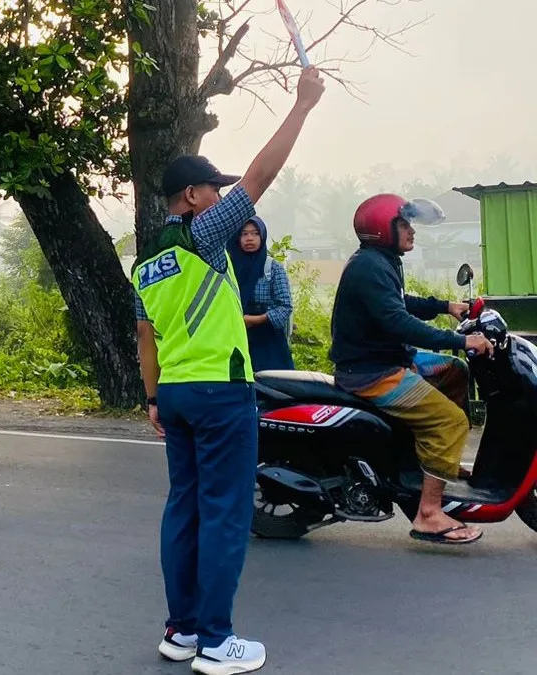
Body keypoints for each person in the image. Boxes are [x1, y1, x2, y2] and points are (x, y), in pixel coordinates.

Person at [134, 67, 325, 675]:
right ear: (192, 198)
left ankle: (180, 631)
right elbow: (261, 177)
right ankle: (216, 641)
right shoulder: (202, 233)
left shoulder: (148, 260)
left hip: (180, 395)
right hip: (221, 394)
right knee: (224, 512)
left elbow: (146, 338)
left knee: (183, 508)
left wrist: (153, 398)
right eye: (213, 189)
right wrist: (303, 106)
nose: (223, 196)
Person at [329, 193, 494, 545]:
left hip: (390, 359)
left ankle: (433, 457)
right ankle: (429, 513)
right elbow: (398, 321)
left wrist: (446, 305)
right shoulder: (370, 266)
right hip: (372, 373)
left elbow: (400, 301)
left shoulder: (382, 261)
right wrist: (461, 341)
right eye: (404, 225)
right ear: (381, 229)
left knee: (455, 372)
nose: (412, 231)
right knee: (451, 421)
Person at [227, 217, 296, 372]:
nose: (249, 238)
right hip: (237, 339)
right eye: (244, 234)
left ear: (262, 236)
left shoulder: (272, 268)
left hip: (269, 344)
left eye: (255, 233)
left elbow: (285, 306)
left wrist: (256, 320)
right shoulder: (228, 268)